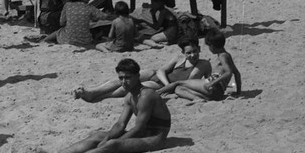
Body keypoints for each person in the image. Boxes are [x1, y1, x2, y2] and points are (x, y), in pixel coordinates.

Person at [53, 58, 172, 153]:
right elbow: (120, 124)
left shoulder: (146, 95)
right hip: (144, 134)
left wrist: (114, 141)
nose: (124, 82)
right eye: (121, 78)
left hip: (156, 139)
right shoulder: (130, 96)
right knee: (98, 135)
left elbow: (138, 128)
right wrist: (105, 139)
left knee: (113, 144)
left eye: (128, 77)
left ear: (137, 76)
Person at [76, 39, 210, 102]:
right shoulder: (179, 58)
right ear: (184, 53)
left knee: (128, 86)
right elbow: (162, 70)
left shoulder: (203, 64)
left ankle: (101, 97)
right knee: (123, 78)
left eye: (195, 52)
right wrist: (167, 83)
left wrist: (168, 87)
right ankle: (93, 91)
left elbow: (206, 82)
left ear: (200, 50)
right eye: (189, 53)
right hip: (158, 76)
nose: (193, 55)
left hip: (160, 85)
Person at [161, 33, 242, 101]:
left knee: (178, 83)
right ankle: (197, 99)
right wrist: (238, 92)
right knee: (178, 89)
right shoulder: (227, 55)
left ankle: (158, 92)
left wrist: (212, 83)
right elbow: (237, 74)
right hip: (217, 94)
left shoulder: (222, 56)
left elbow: (228, 72)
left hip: (214, 86)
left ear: (212, 46)